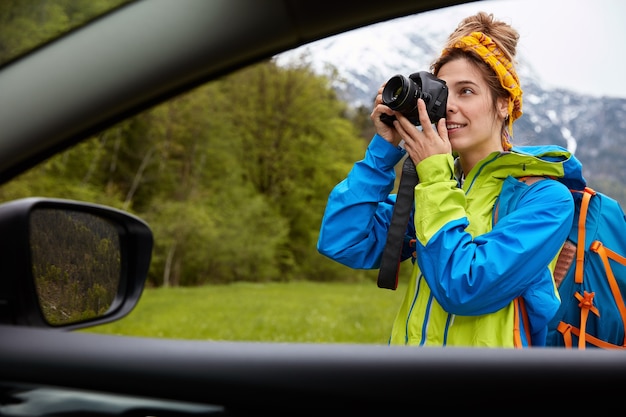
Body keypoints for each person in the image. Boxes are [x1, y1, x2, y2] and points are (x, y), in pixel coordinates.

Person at [317, 11, 584, 348]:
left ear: (504, 105)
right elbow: (342, 241)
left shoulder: (543, 199)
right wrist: (383, 151)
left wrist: (435, 177)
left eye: (467, 91)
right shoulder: (432, 189)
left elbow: (465, 288)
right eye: (444, 93)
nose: (451, 107)